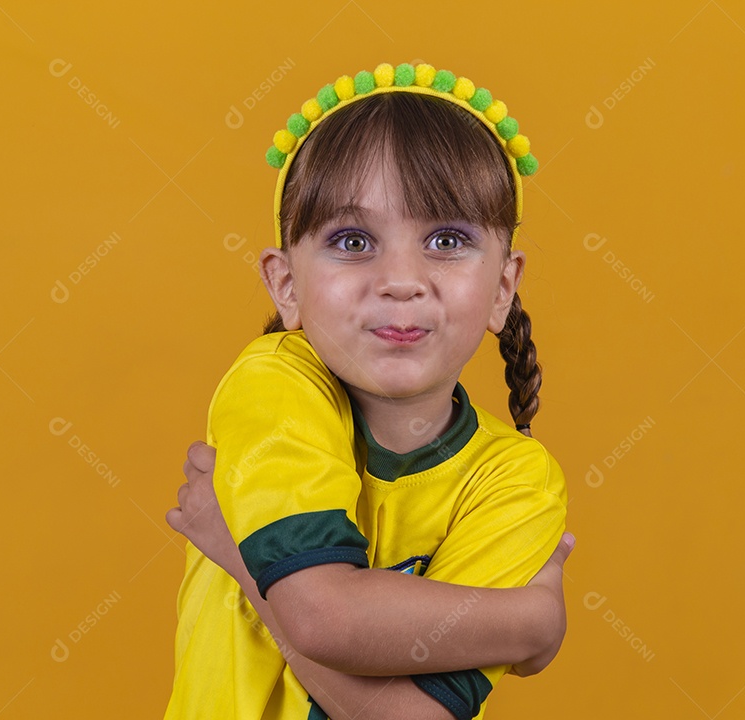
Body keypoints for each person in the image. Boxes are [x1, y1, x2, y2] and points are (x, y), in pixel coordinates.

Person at [165, 63, 572, 720]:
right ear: (286, 285)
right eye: (353, 240)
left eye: (447, 239)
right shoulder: (273, 385)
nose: (401, 280)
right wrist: (534, 621)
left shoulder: (517, 482)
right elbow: (320, 617)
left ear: (503, 287)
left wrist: (240, 555)